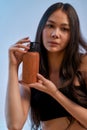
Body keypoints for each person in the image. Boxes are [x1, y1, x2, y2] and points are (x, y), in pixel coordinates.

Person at [5, 2, 87, 130]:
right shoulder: (31, 73)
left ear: (73, 34)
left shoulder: (83, 64)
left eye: (64, 29)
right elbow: (14, 125)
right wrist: (13, 67)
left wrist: (54, 93)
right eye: (50, 26)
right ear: (42, 28)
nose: (55, 34)